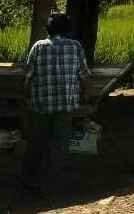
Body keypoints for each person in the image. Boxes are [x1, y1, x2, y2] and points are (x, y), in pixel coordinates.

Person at [22, 11, 90, 196]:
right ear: (67, 29)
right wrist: (85, 94)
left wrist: (27, 96)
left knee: (36, 142)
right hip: (66, 104)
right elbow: (83, 75)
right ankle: (49, 186)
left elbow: (27, 77)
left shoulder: (38, 46)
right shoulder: (75, 46)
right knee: (58, 144)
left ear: (48, 29)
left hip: (41, 103)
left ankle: (30, 180)